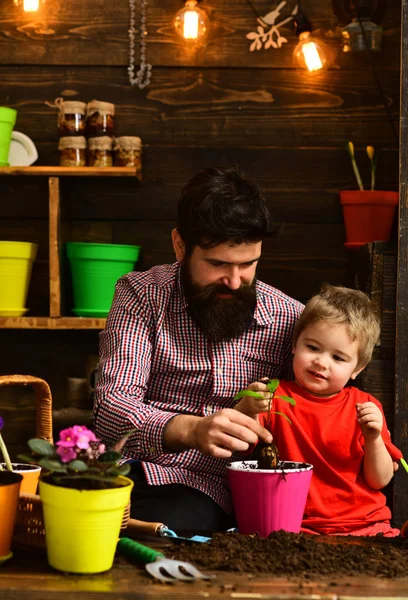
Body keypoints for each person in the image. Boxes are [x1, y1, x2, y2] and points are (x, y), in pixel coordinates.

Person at [93, 166, 303, 532]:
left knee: (172, 523)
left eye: (248, 264)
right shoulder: (142, 295)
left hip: (214, 491)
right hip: (130, 471)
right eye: (218, 264)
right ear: (179, 245)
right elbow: (111, 410)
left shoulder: (290, 318)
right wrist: (191, 430)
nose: (234, 281)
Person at [235, 284, 403, 537]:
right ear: (294, 344)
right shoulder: (273, 396)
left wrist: (373, 437)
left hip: (365, 525)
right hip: (295, 526)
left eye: (338, 358)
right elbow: (240, 447)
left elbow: (379, 480)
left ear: (358, 368)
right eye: (312, 348)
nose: (321, 362)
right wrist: (248, 408)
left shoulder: (364, 406)